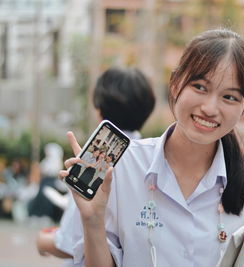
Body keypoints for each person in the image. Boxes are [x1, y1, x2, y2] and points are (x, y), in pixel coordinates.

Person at [60, 29, 244, 267]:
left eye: (229, 97)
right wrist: (92, 221)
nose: (210, 108)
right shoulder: (123, 165)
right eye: (200, 87)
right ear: (176, 84)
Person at [36, 67, 156, 264]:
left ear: (99, 110)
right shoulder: (151, 162)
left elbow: (69, 244)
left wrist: (42, 242)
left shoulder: (95, 163)